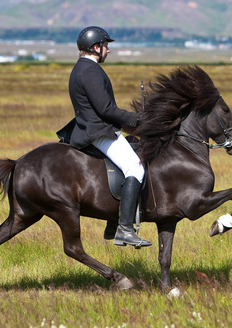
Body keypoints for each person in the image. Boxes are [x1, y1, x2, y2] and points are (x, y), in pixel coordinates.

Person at [68, 26, 151, 247]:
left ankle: (112, 222)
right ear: (96, 47)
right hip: (98, 132)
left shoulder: (79, 68)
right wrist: (137, 119)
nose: (108, 50)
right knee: (135, 168)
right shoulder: (91, 71)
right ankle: (124, 229)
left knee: (133, 147)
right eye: (106, 46)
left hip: (89, 128)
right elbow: (106, 109)